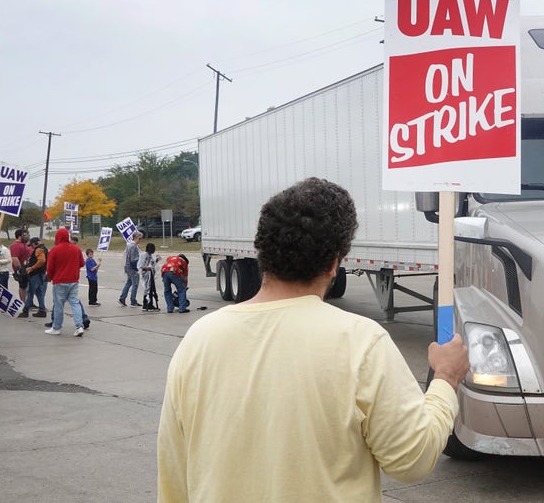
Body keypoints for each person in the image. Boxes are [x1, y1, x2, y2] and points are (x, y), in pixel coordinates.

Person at [157, 178, 470, 502]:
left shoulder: (198, 340)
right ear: (334, 261)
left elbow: (173, 476)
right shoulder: (360, 343)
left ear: (262, 251)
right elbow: (412, 460)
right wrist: (445, 379)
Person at [45, 228, 86, 337]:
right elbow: (82, 263)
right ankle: (79, 326)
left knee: (59, 305)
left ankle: (56, 327)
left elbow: (50, 267)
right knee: (75, 303)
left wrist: (49, 277)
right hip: (73, 280)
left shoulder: (54, 250)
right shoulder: (76, 249)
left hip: (59, 281)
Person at [18, 237, 48, 318]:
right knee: (39, 292)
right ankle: (42, 310)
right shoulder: (44, 248)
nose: (31, 247)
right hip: (41, 274)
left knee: (30, 292)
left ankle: (25, 311)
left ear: (35, 243)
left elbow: (42, 260)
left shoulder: (39, 249)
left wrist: (32, 268)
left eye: (32, 245)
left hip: (36, 274)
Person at [118, 231, 143, 307]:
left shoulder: (129, 245)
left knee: (129, 282)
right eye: (139, 238)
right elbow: (134, 259)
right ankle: (133, 301)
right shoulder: (133, 246)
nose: (140, 240)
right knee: (135, 284)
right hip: (132, 267)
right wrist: (136, 269)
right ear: (136, 238)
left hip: (128, 266)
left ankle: (122, 298)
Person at [10, 229, 31, 302]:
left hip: (28, 267)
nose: (27, 236)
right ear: (19, 236)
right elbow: (14, 258)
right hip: (22, 269)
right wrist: (20, 269)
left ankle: (28, 302)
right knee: (23, 287)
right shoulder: (15, 245)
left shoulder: (24, 244)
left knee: (26, 286)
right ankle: (23, 302)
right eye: (25, 235)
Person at [138, 243, 160, 312]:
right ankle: (149, 305)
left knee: (148, 289)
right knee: (149, 290)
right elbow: (141, 265)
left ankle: (146, 304)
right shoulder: (145, 255)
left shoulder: (149, 255)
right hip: (147, 275)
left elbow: (151, 264)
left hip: (150, 274)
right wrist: (146, 268)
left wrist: (156, 261)